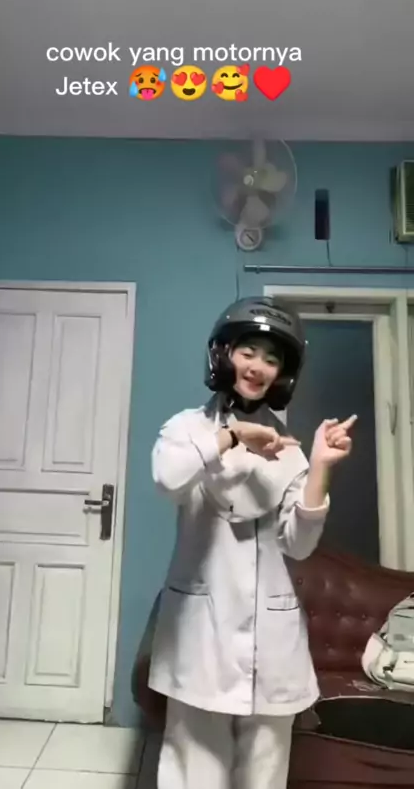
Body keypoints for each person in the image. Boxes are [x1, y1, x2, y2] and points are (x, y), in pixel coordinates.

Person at [147, 297, 356, 789]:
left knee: (263, 773)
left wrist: (320, 467)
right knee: (193, 769)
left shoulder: (290, 451)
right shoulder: (187, 429)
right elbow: (168, 478)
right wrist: (234, 437)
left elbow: (299, 545)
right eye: (248, 352)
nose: (258, 367)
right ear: (223, 354)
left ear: (283, 373)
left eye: (271, 359)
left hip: (272, 636)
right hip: (199, 631)